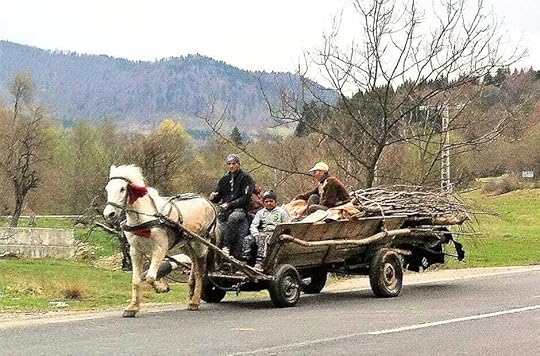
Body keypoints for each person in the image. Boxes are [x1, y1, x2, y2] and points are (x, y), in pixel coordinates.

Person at [209, 154, 255, 258]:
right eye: (229, 164)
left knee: (233, 218)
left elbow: (245, 198)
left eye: (233, 164)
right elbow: (217, 197)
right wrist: (213, 197)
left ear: (239, 164)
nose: (231, 166)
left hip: (239, 209)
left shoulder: (246, 178)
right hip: (224, 208)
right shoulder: (224, 179)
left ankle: (226, 246)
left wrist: (230, 204)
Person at [248, 190, 290, 271]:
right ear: (264, 203)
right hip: (262, 232)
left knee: (263, 238)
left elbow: (287, 225)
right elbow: (254, 225)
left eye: (271, 201)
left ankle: (259, 262)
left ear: (275, 202)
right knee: (247, 239)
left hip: (275, 234)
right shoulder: (260, 213)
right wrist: (255, 234)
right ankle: (245, 261)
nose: (269, 203)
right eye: (266, 201)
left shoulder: (282, 212)